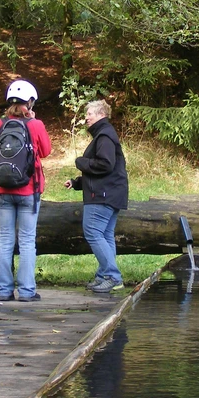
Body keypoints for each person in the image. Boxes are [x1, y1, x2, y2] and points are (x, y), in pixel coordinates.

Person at [0, 79, 52, 302]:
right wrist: (34, 122)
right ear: (30, 102)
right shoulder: (35, 125)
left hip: (3, 189)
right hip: (29, 190)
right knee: (27, 241)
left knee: (5, 239)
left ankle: (3, 291)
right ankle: (27, 291)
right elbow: (45, 151)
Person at [65, 100, 129, 294]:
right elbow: (103, 171)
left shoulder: (104, 136)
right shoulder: (104, 135)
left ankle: (113, 276)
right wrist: (77, 183)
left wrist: (81, 163)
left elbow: (105, 164)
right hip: (111, 192)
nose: (86, 118)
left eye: (89, 114)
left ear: (101, 114)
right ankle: (104, 276)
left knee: (93, 232)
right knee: (105, 234)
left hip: (102, 196)